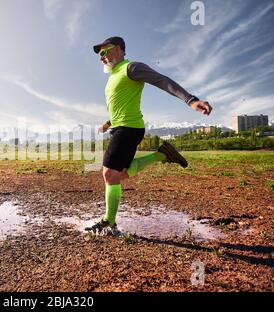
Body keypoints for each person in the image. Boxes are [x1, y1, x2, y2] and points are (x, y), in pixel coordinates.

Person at [85, 36, 212, 236]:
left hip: (129, 128)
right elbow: (120, 106)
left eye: (103, 52)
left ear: (118, 49)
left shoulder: (131, 68)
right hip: (120, 127)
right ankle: (160, 154)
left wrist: (190, 100)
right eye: (99, 55)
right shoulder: (113, 77)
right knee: (120, 174)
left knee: (109, 173)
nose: (101, 57)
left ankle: (109, 222)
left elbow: (161, 80)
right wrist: (108, 122)